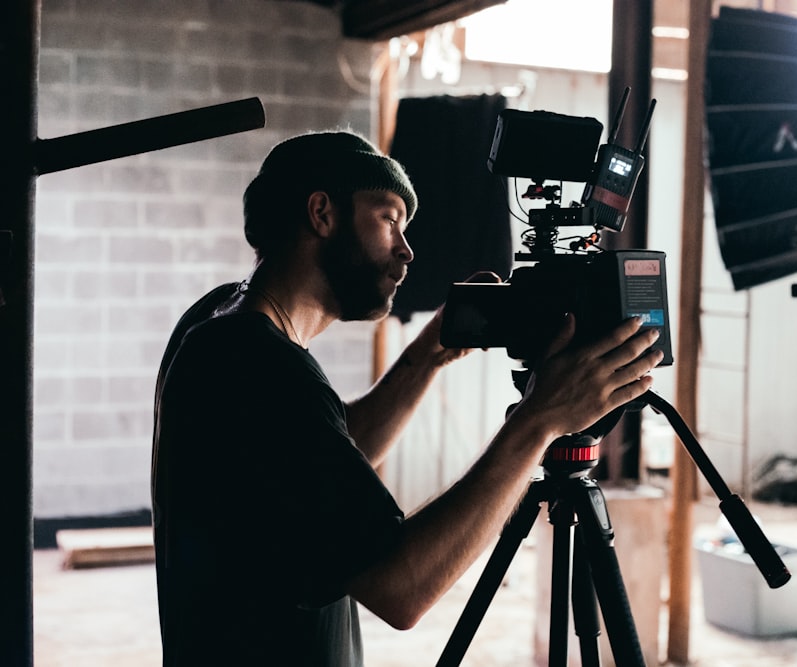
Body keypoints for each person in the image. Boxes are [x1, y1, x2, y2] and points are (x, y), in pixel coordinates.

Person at [151, 130, 663, 666]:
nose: (407, 248)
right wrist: (539, 421)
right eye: (389, 218)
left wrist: (428, 356)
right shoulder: (257, 365)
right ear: (322, 213)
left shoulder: (222, 325)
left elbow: (322, 461)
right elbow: (402, 586)